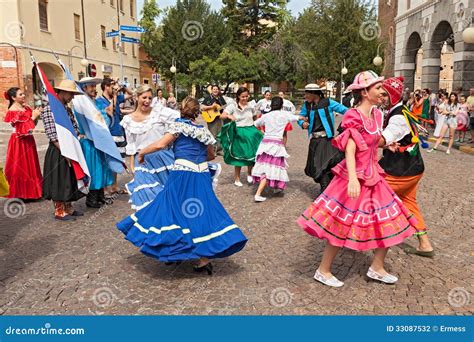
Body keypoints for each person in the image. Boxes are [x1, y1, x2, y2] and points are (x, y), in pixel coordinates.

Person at [297, 71, 417, 288]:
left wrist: (385, 144)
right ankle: (323, 270)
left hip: (374, 176)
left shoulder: (378, 115)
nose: (383, 92)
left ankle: (377, 267)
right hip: (354, 177)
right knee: (339, 225)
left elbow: (371, 141)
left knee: (390, 222)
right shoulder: (354, 115)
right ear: (364, 91)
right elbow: (350, 149)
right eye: (378, 88)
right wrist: (352, 179)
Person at [116, 97, 248, 274]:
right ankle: (203, 256)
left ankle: (174, 249)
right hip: (201, 174)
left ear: (181, 110)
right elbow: (210, 155)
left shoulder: (178, 127)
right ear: (197, 113)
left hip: (182, 174)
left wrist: (143, 152)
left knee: (170, 208)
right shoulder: (203, 132)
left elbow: (161, 144)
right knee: (202, 211)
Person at [379, 76, 434, 257]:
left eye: (385, 95)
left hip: (399, 172)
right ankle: (424, 244)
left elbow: (385, 138)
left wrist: (359, 140)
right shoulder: (401, 111)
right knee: (409, 203)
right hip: (413, 168)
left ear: (394, 97)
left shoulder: (398, 118)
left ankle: (366, 238)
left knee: (370, 197)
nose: (381, 97)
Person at [120, 85, 176, 210]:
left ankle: (167, 226)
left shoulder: (160, 112)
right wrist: (132, 166)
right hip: (142, 162)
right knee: (147, 197)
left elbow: (178, 120)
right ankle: (150, 226)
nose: (147, 101)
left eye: (150, 98)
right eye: (144, 97)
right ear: (136, 97)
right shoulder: (128, 120)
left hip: (163, 158)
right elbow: (131, 145)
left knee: (168, 196)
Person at [41, 80, 85, 220]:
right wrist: (64, 151)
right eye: (71, 93)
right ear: (62, 92)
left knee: (69, 179)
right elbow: (52, 134)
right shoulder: (50, 108)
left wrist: (77, 137)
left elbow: (74, 127)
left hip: (71, 148)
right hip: (58, 150)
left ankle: (68, 207)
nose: (72, 97)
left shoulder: (67, 108)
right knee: (59, 179)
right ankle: (59, 210)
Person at [298, 83, 348, 195]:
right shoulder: (307, 105)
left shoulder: (328, 103)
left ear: (314, 93)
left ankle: (325, 193)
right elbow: (300, 117)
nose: (305, 96)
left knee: (325, 165)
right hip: (314, 141)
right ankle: (328, 191)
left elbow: (346, 111)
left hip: (326, 140)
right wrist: (302, 123)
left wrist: (345, 126)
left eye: (307, 94)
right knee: (317, 166)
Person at [252, 97, 304, 202]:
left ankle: (276, 187)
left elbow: (255, 124)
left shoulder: (266, 116)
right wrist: (306, 118)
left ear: (271, 105)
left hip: (265, 144)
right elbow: (298, 118)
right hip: (276, 144)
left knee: (269, 166)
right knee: (272, 167)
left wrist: (262, 131)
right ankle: (258, 194)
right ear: (281, 105)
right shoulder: (284, 115)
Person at [74, 77, 114, 208]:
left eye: (94, 86)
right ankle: (91, 198)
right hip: (89, 141)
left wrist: (108, 116)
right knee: (93, 169)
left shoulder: (97, 104)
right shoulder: (80, 105)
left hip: (100, 140)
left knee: (102, 168)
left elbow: (105, 121)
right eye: (91, 86)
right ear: (84, 88)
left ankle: (100, 195)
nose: (94, 89)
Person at [3, 87, 43, 200]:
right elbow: (23, 129)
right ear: (13, 98)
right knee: (20, 166)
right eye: (20, 94)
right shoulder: (12, 111)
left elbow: (31, 126)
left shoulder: (26, 108)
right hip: (18, 141)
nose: (23, 96)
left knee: (31, 165)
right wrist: (33, 116)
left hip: (28, 139)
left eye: (23, 94)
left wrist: (36, 116)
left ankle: (32, 193)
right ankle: (20, 193)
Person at [218, 87, 263, 187]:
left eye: (246, 96)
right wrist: (229, 116)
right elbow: (222, 116)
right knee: (238, 154)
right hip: (239, 132)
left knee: (252, 153)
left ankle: (249, 173)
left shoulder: (251, 106)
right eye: (243, 96)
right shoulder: (232, 106)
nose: (245, 98)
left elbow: (255, 118)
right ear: (238, 96)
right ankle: (237, 178)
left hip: (251, 131)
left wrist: (259, 128)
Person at [96, 77, 133, 194]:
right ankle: (107, 186)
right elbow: (110, 112)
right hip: (109, 133)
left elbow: (132, 94)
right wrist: (115, 97)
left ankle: (114, 185)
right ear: (106, 87)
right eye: (112, 85)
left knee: (117, 159)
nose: (114, 88)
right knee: (108, 161)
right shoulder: (100, 101)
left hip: (119, 132)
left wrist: (122, 86)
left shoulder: (116, 96)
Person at [200, 85, 226, 155]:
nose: (215, 90)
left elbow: (224, 106)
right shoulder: (208, 98)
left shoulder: (220, 98)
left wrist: (218, 109)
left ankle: (219, 150)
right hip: (211, 118)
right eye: (214, 89)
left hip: (219, 118)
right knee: (212, 135)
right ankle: (212, 151)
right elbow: (202, 108)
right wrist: (211, 107)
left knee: (219, 135)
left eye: (217, 89)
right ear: (211, 90)